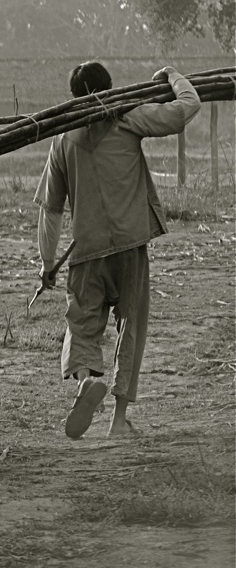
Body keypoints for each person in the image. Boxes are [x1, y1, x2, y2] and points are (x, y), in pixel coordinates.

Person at [34, 61, 200, 439]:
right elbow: (186, 108)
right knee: (131, 327)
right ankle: (118, 420)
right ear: (111, 88)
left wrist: (47, 263)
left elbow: (51, 210)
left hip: (85, 251)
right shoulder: (128, 117)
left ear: (74, 97)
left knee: (81, 325)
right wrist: (172, 75)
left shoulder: (62, 138)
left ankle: (84, 383)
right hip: (129, 245)